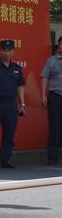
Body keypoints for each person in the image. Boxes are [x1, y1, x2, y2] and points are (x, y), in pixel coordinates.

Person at [0, 40, 25, 169]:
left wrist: (22, 104)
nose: (6, 53)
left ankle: (5, 159)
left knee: (9, 133)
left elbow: (20, 87)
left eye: (9, 50)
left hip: (11, 104)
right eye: (4, 50)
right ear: (0, 51)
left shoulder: (16, 69)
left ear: (13, 51)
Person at [40, 36, 62, 164]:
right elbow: (44, 78)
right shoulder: (51, 61)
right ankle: (52, 157)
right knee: (55, 127)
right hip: (55, 96)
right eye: (61, 44)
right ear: (58, 46)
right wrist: (43, 95)